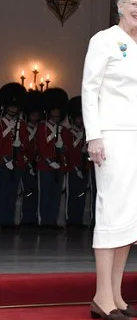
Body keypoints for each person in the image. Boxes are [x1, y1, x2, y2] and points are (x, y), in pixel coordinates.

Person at [82, 0, 137, 320]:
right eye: (134, 4)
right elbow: (89, 89)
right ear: (119, 5)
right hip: (112, 137)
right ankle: (101, 296)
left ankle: (115, 295)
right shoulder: (103, 40)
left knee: (133, 213)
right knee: (112, 211)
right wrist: (93, 136)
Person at [36, 87, 70, 228]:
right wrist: (50, 161)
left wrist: (62, 148)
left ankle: (52, 221)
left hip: (59, 166)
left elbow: (67, 149)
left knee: (56, 196)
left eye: (58, 112)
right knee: (45, 195)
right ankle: (44, 221)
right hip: (45, 166)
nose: (56, 115)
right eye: (53, 112)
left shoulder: (64, 130)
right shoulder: (42, 127)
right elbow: (41, 146)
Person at [0, 82, 27, 227]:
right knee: (2, 193)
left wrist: (20, 144)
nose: (13, 108)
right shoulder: (1, 123)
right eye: (11, 105)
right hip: (3, 163)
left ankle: (9, 220)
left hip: (17, 163)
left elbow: (26, 144)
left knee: (12, 193)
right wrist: (4, 159)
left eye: (15, 106)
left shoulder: (21, 124)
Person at [20, 90, 43, 226]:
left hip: (38, 163)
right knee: (27, 192)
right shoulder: (24, 128)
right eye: (33, 114)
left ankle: (34, 217)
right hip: (26, 163)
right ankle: (27, 218)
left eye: (37, 114)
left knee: (38, 192)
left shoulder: (41, 129)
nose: (36, 116)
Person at [65, 96, 89, 227]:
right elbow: (69, 151)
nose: (80, 120)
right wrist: (75, 167)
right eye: (78, 117)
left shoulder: (87, 133)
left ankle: (79, 219)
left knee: (81, 195)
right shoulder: (69, 133)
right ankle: (71, 219)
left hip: (84, 167)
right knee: (72, 195)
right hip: (72, 168)